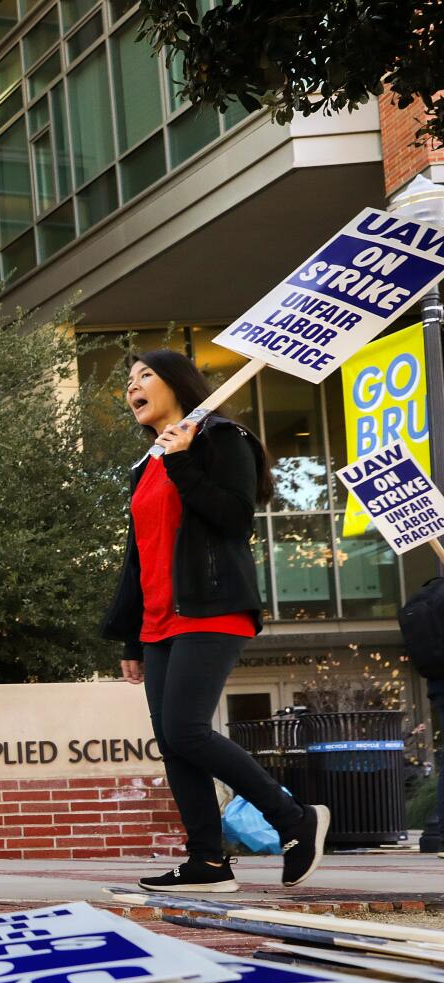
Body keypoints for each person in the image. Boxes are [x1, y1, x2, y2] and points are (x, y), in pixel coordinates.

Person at [104, 349, 329, 893]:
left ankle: (294, 818)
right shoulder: (149, 462)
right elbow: (141, 553)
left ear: (178, 383)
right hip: (159, 620)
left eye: (144, 376)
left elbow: (232, 517)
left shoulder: (222, 438)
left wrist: (184, 460)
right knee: (173, 742)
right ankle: (206, 862)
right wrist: (132, 633)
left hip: (212, 605)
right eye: (128, 381)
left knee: (187, 729)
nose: (132, 387)